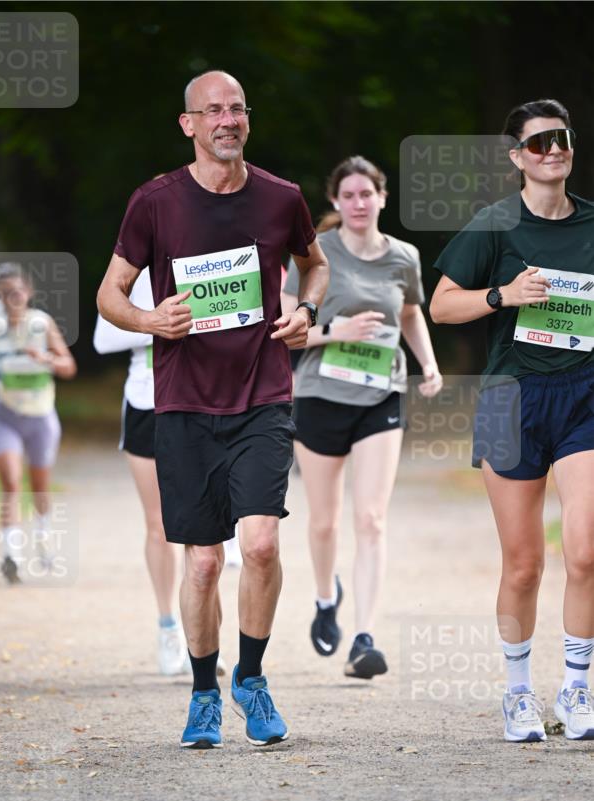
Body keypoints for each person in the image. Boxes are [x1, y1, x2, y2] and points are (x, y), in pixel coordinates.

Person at [97, 70, 328, 749]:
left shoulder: (281, 197)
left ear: (246, 121)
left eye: (236, 109)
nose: (226, 120)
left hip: (261, 396)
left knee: (258, 545)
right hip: (184, 404)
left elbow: (313, 265)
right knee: (201, 563)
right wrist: (150, 319)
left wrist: (307, 309)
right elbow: (109, 293)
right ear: (188, 123)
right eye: (212, 111)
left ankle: (250, 679)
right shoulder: (155, 203)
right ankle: (203, 691)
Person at [430, 99, 594, 742]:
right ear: (516, 157)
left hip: (584, 392)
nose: (553, 149)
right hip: (509, 400)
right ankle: (518, 695)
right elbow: (442, 307)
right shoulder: (494, 226)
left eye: (563, 138)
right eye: (539, 142)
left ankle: (578, 687)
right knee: (523, 564)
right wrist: (504, 295)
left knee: (585, 553)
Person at [282, 156, 442, 678]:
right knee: (325, 521)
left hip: (381, 395)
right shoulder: (315, 254)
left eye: (366, 194)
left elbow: (412, 314)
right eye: (347, 195)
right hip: (320, 396)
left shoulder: (404, 257)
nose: (357, 203)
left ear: (382, 198)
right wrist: (335, 333)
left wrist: (429, 366)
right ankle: (327, 598)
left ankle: (365, 637)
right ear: (335, 201)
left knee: (371, 519)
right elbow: (285, 322)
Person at [94, 268, 227, 678]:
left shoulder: (208, 261)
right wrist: (160, 321)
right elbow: (103, 339)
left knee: (205, 534)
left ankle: (207, 638)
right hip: (146, 404)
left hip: (201, 403)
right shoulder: (137, 272)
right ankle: (168, 626)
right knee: (158, 525)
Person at [0, 263, 77, 583]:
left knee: (39, 485)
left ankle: (43, 539)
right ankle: (11, 555)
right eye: (3, 294)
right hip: (6, 416)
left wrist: (47, 360)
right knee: (11, 483)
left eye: (16, 292)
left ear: (28, 292)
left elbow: (69, 366)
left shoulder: (42, 324)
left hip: (41, 416)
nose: (11, 299)